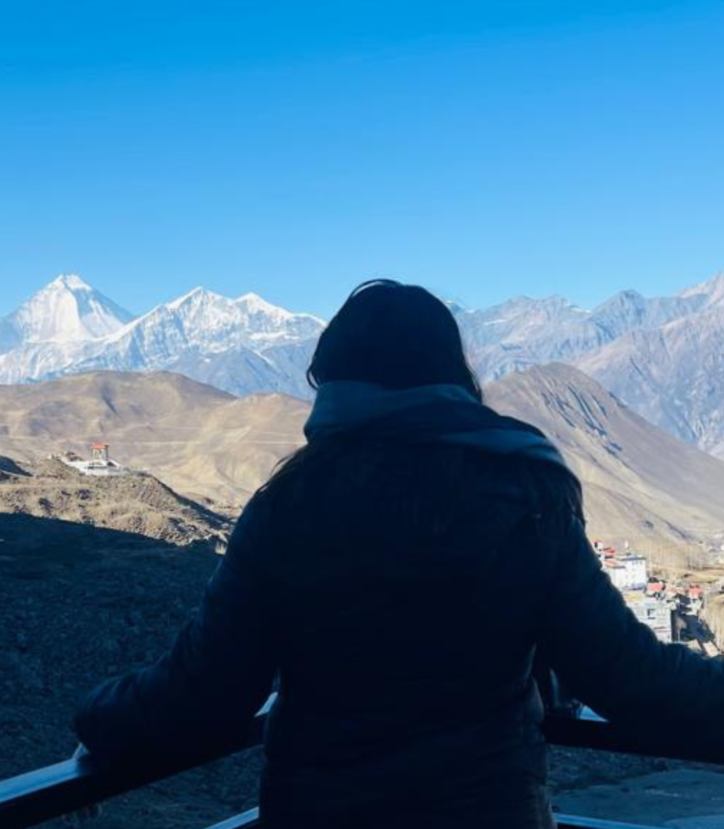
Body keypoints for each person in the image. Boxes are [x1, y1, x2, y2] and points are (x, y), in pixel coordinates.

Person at [75, 279, 724, 828]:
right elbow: (627, 677)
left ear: (331, 382)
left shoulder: (291, 504)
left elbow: (207, 689)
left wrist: (100, 713)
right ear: (454, 374)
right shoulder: (525, 492)